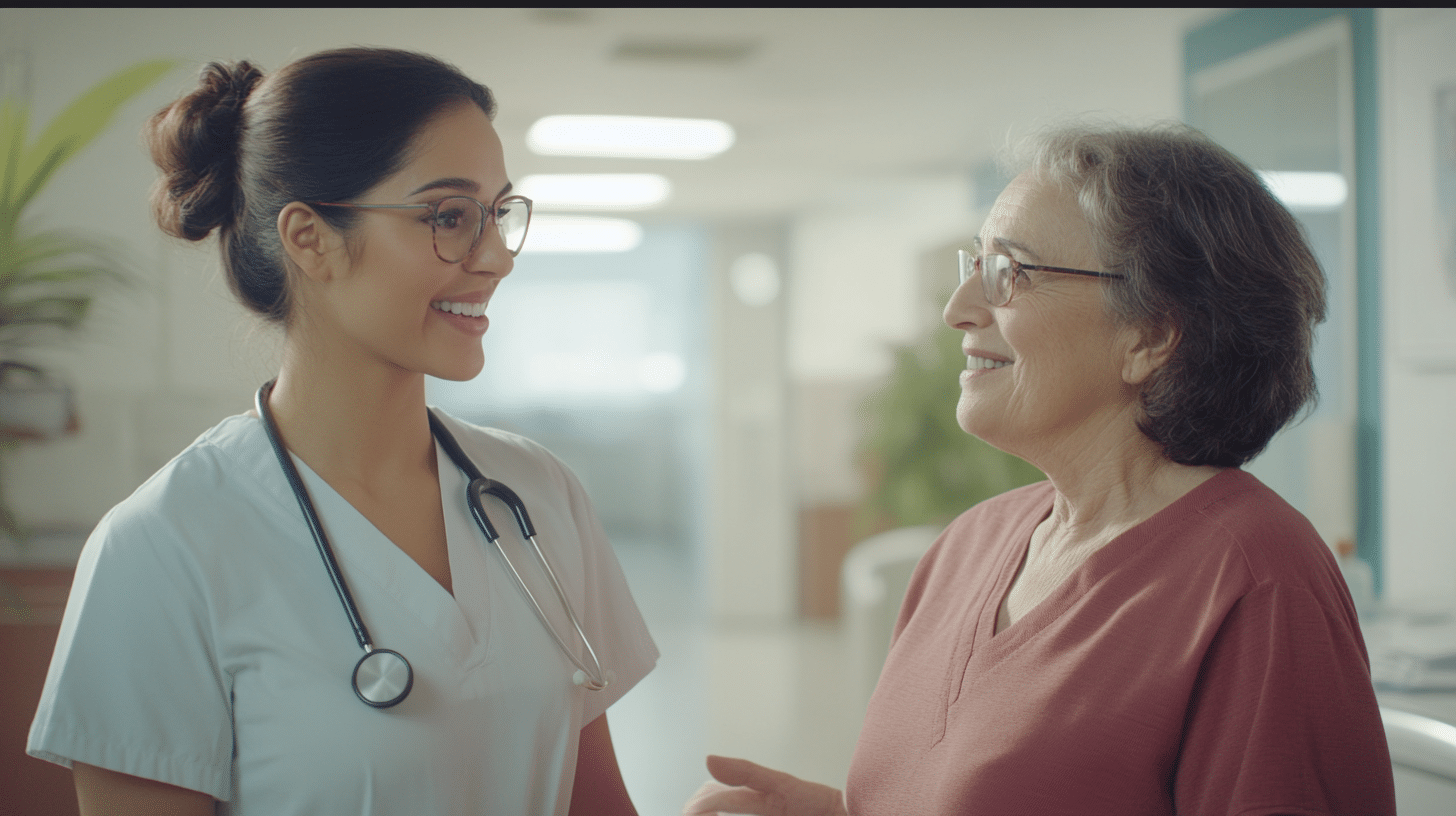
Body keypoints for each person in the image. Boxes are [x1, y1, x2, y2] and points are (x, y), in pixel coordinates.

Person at [685, 123, 1395, 815]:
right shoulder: (969, 546)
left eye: (1008, 273)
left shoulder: (1258, 578)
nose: (958, 310)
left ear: (1149, 334)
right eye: (975, 266)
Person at [28, 48, 657, 816]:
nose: (495, 258)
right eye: (449, 218)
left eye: (498, 215)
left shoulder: (539, 494)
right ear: (309, 238)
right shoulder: (163, 547)